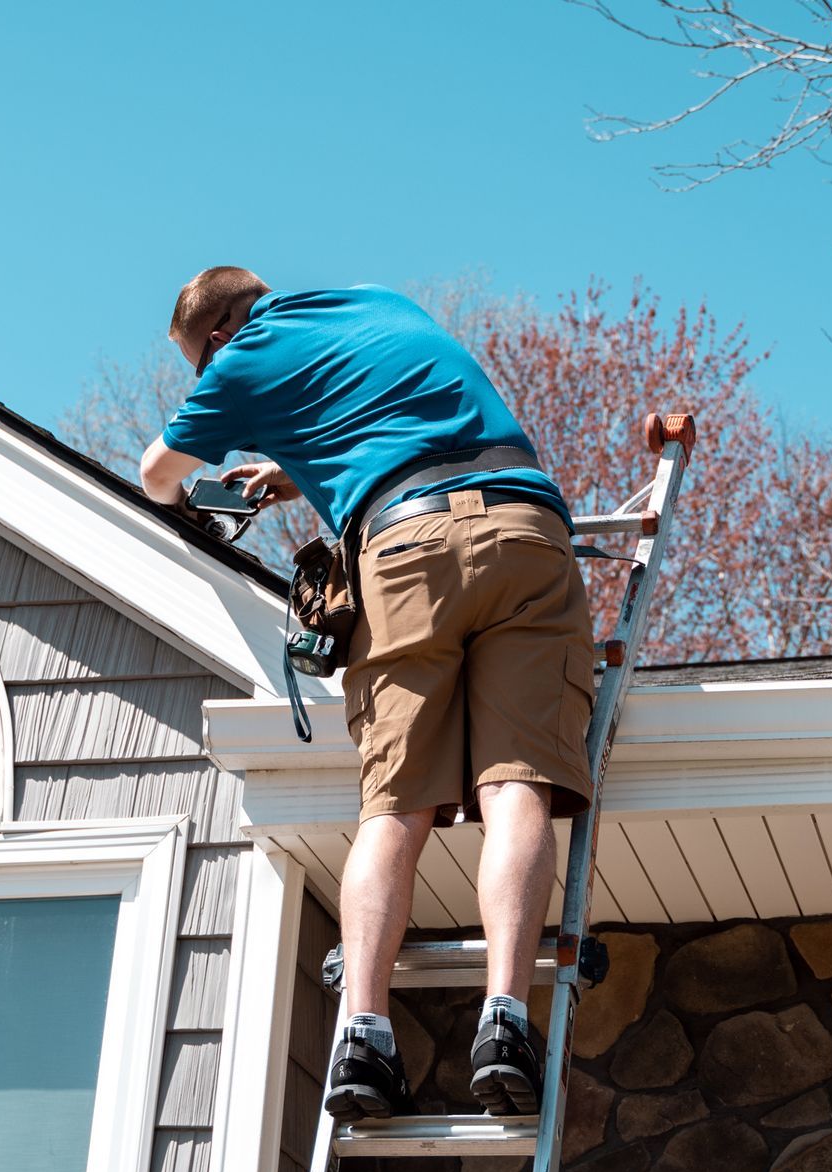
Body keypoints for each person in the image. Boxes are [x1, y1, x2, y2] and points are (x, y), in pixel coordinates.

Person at [140, 267, 595, 1120]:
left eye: (198, 363)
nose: (204, 380)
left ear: (219, 331)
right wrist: (287, 472)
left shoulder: (239, 362)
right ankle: (505, 1020)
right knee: (515, 785)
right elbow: (391, 414)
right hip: (527, 530)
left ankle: (364, 1036)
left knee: (395, 806)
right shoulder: (377, 300)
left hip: (406, 549)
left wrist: (206, 467)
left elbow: (159, 475)